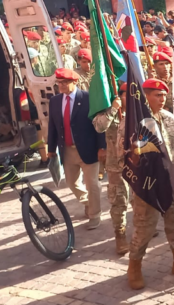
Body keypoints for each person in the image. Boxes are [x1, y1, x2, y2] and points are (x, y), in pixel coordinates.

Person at [124, 79, 174, 290]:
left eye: (163, 95)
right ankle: (134, 266)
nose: (162, 99)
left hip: (171, 179)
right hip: (148, 184)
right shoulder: (133, 122)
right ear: (146, 97)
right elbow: (123, 154)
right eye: (157, 95)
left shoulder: (168, 117)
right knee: (145, 227)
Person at [47, 68, 106, 229]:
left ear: (75, 82)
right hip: (67, 150)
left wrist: (102, 147)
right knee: (71, 182)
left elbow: (98, 125)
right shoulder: (55, 101)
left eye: (65, 82)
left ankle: (95, 215)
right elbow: (52, 126)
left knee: (92, 184)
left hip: (88, 148)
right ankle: (88, 203)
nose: (61, 85)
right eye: (59, 83)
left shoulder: (88, 99)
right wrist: (51, 149)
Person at [92, 83, 130, 255]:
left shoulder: (138, 112)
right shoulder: (110, 111)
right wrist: (114, 109)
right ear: (119, 96)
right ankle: (120, 234)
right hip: (116, 165)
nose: (129, 98)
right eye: (125, 95)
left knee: (139, 199)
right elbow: (99, 126)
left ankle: (143, 227)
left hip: (137, 163)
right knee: (119, 200)